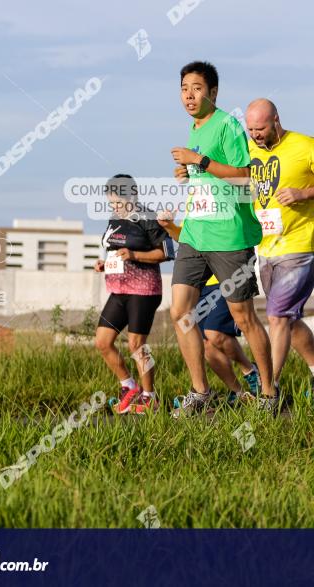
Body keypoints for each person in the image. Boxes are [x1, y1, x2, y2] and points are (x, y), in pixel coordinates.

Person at [167, 60, 278, 416]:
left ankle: (268, 393)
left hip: (229, 236)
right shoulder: (194, 128)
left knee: (243, 318)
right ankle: (201, 393)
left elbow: (245, 176)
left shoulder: (228, 124)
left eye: (197, 88)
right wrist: (189, 171)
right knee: (180, 312)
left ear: (213, 92)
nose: (189, 95)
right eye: (185, 88)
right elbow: (208, 173)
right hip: (195, 233)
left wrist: (199, 160)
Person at [246, 98, 314, 398]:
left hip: (299, 245)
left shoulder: (304, 145)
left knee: (276, 316)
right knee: (287, 319)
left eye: (260, 128)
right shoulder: (249, 151)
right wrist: (191, 170)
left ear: (276, 120)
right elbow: (226, 173)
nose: (255, 135)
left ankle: (268, 390)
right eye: (250, 129)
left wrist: (304, 192)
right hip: (267, 248)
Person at [159, 214, 261, 403]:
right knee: (206, 345)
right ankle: (238, 393)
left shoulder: (224, 195)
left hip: (223, 281)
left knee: (214, 333)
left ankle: (250, 371)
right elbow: (182, 236)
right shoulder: (196, 208)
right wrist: (169, 226)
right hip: (199, 285)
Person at [93, 174, 173, 414]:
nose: (115, 207)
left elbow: (166, 253)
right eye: (112, 203)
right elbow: (116, 252)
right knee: (102, 342)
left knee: (137, 344)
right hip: (118, 289)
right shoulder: (114, 219)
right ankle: (129, 386)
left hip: (144, 290)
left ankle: (150, 396)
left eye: (118, 203)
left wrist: (136, 255)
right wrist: (104, 264)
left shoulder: (147, 218)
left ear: (132, 197)